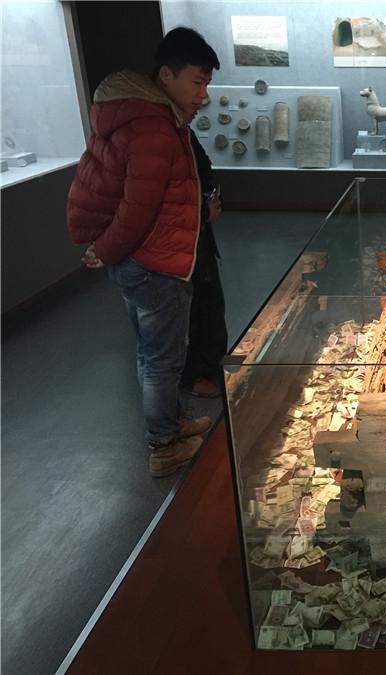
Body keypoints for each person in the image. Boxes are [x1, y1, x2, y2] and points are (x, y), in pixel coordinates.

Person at [67, 28, 220, 477]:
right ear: (166, 75)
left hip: (148, 259)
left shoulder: (148, 117)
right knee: (161, 358)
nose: (203, 94)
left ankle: (170, 423)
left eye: (207, 83)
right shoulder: (153, 127)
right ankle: (164, 444)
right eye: (197, 82)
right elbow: (137, 209)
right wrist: (104, 250)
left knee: (156, 352)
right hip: (154, 264)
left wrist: (108, 251)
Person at [180, 129, 227, 399]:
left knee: (210, 304)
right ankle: (194, 374)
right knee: (192, 310)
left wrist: (210, 199)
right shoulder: (161, 134)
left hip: (199, 238)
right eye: (197, 83)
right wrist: (201, 212)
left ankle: (210, 366)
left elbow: (203, 171)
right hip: (181, 245)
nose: (203, 95)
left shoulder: (183, 131)